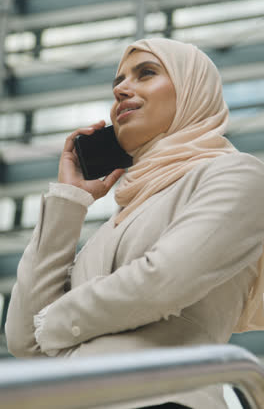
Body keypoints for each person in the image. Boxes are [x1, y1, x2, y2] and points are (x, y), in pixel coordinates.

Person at [5, 38, 264, 409]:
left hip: (163, 401)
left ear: (194, 91)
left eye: (146, 73)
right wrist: (69, 200)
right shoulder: (114, 223)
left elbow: (163, 281)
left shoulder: (236, 174)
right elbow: (22, 339)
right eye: (118, 84)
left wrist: (54, 320)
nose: (122, 89)